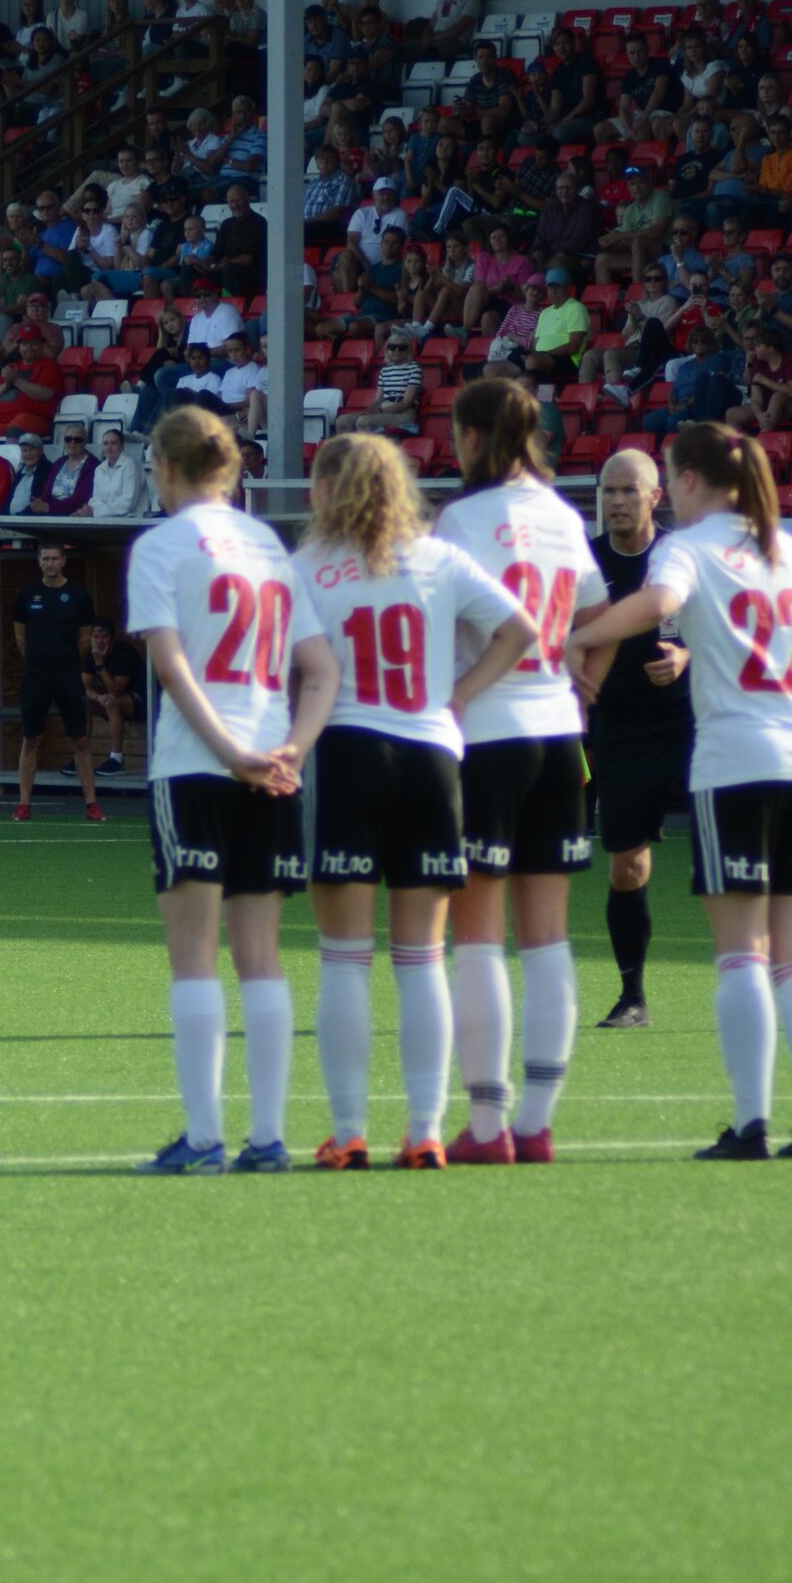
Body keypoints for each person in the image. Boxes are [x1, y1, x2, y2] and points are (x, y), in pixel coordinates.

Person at [298, 433, 539, 1170]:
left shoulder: (306, 566)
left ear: (330, 490)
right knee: (421, 958)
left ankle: (348, 1133)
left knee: (344, 958)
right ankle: (428, 1130)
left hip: (347, 755)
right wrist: (462, 694)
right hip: (434, 757)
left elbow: (290, 665)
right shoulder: (440, 558)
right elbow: (522, 630)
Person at [567, 425, 792, 1158]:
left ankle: (753, 1125)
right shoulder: (781, 545)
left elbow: (659, 598)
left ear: (685, 483)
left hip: (731, 762)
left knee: (741, 955)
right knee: (786, 956)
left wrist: (578, 640)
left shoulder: (686, 547)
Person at [126, 409, 339, 1173]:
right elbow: (322, 670)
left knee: (193, 958)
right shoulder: (270, 548)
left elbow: (172, 666)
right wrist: (289, 749)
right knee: (263, 958)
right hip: (275, 765)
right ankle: (270, 1138)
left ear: (170, 468)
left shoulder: (160, 545)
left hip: (196, 765)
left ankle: (205, 1137)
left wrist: (229, 751)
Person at [428, 380, 612, 1165]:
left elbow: (441, 624)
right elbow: (600, 616)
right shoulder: (565, 515)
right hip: (557, 733)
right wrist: (587, 679)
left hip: (488, 735)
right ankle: (537, 1122)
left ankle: (487, 1123)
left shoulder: (463, 520)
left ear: (475, 436)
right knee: (547, 940)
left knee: (477, 939)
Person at [581, 450, 695, 1030]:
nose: (617, 502)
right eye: (608, 492)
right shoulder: (586, 563)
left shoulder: (681, 556)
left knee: (745, 858)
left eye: (629, 491)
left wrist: (687, 652)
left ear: (656, 496)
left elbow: (727, 627)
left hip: (694, 727)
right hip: (622, 732)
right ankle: (632, 998)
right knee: (627, 865)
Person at [11, 541, 106, 824]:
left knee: (79, 739)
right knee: (31, 738)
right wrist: (39, 660)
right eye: (45, 559)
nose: (50, 563)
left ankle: (92, 804)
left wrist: (64, 661)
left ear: (64, 561)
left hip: (67, 675)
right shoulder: (27, 595)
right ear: (39, 562)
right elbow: (19, 637)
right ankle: (24, 804)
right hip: (36, 676)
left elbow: (85, 638)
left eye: (55, 558)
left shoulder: (77, 594)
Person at [77, 620, 148, 777]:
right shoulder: (92, 653)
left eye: (104, 636)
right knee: (83, 702)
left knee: (111, 701)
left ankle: (116, 760)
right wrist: (98, 697)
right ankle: (81, 757)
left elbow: (115, 689)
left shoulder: (124, 653)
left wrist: (100, 664)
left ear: (112, 638)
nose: (100, 641)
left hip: (141, 701)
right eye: (96, 636)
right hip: (112, 698)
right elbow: (81, 687)